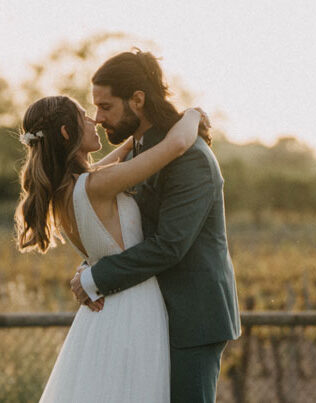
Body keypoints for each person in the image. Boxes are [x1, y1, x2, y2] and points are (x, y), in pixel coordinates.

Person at [71, 49, 241, 402]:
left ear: (137, 100)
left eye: (106, 107)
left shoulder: (190, 157)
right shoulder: (141, 151)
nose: (98, 119)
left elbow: (170, 244)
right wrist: (93, 263)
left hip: (192, 319)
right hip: (149, 314)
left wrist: (97, 278)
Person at [14, 93, 204, 402]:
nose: (94, 121)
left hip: (103, 309)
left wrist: (131, 142)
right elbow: (177, 145)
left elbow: (106, 165)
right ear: (66, 133)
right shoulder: (97, 185)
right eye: (84, 117)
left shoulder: (64, 190)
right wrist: (194, 114)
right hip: (135, 305)